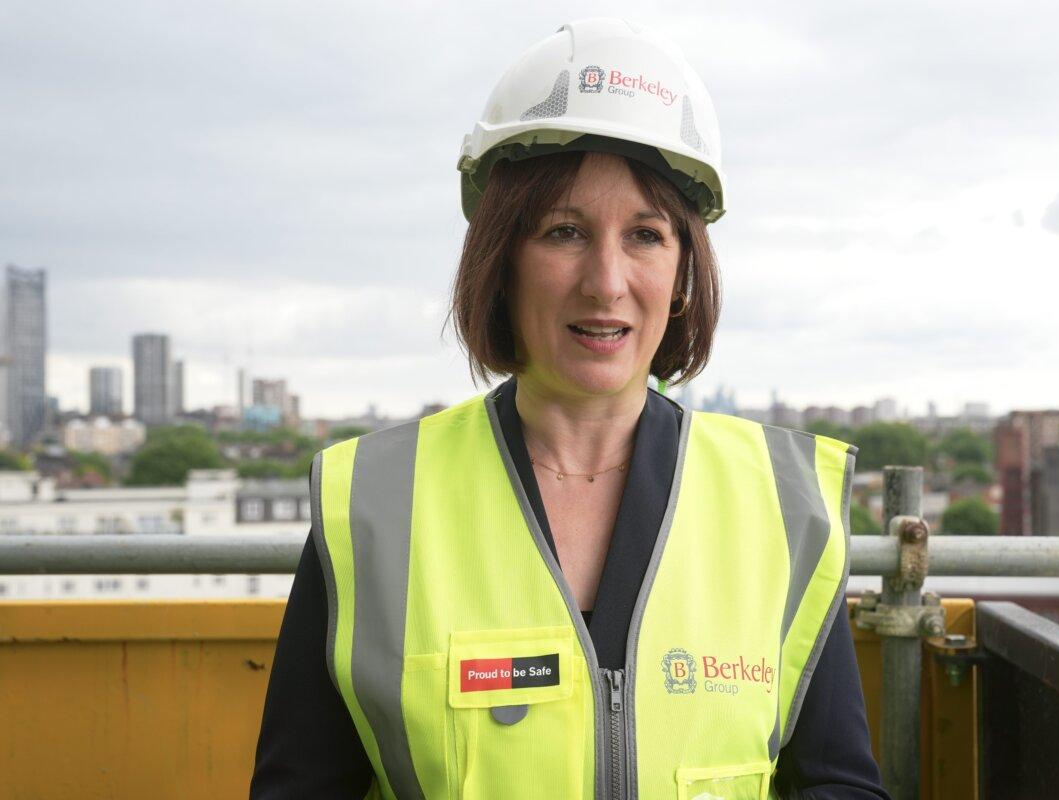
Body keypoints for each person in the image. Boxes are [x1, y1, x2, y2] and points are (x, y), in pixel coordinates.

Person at [251, 17, 889, 800]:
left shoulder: (787, 505)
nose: (606, 281)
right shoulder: (374, 505)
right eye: (564, 232)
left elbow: (838, 786)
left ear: (684, 273)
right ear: (502, 258)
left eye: (647, 235)